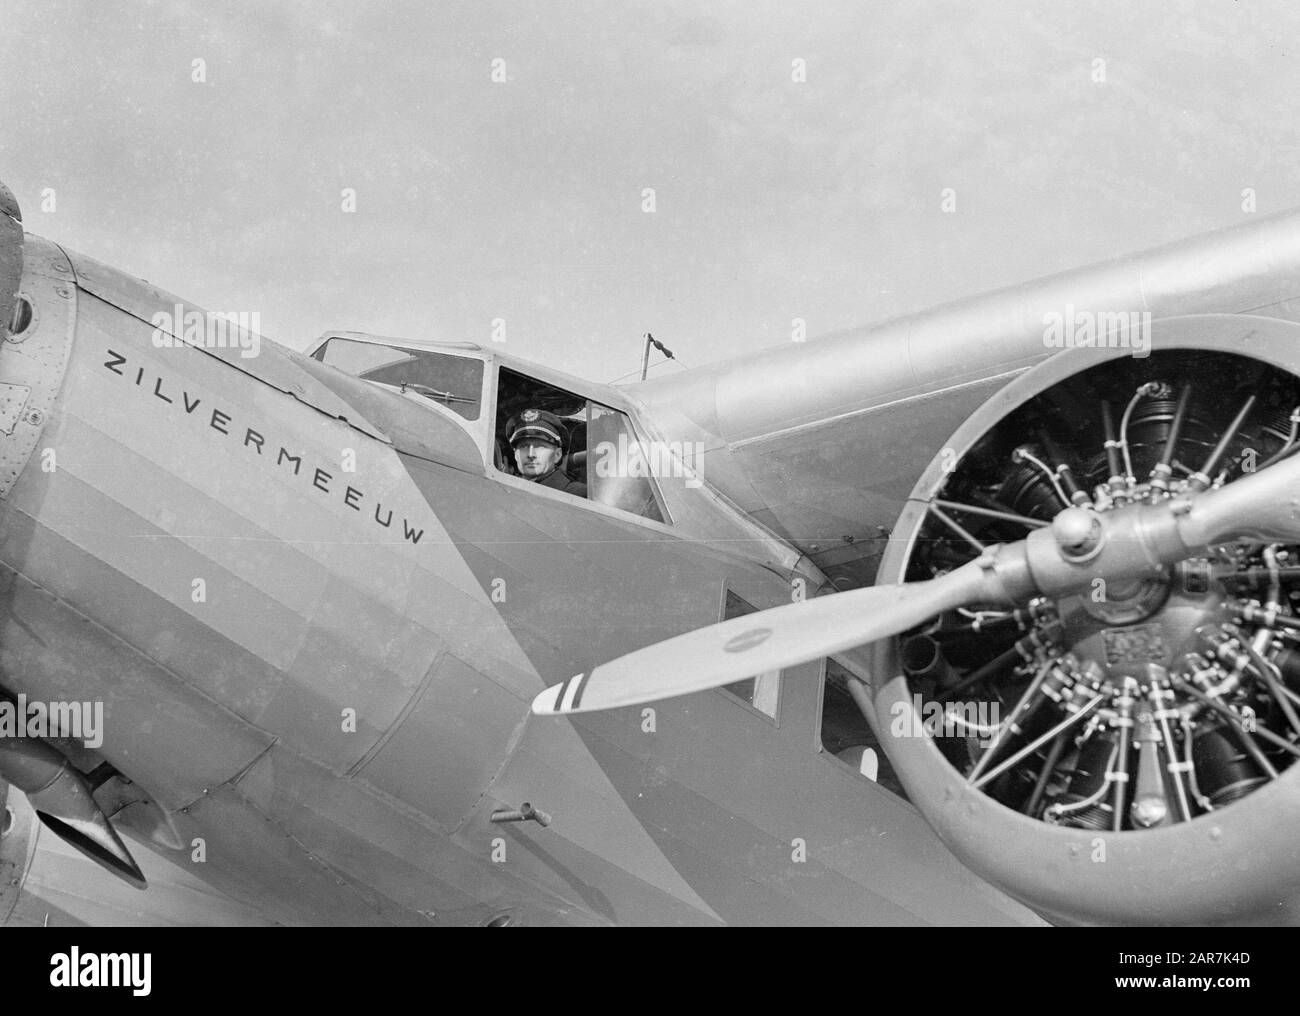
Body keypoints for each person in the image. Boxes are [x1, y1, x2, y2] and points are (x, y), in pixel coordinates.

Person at [507, 408, 587, 497]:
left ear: (557, 455)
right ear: (516, 455)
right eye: (524, 447)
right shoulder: (506, 491)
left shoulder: (578, 495)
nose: (531, 454)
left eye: (540, 446)